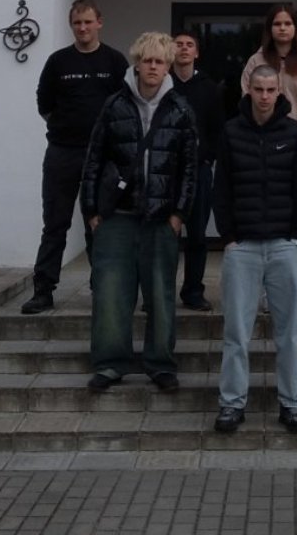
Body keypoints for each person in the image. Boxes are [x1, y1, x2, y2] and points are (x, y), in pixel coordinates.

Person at [80, 32, 198, 391]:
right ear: (137, 63)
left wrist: (179, 215)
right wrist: (91, 210)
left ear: (168, 66)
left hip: (161, 219)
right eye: (147, 60)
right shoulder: (114, 105)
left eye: (159, 61)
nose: (153, 67)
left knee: (160, 295)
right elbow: (94, 159)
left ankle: (160, 364)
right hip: (117, 216)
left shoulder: (180, 110)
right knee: (110, 294)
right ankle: (110, 363)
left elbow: (190, 168)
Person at [211, 63, 297, 434]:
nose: (265, 96)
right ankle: (232, 404)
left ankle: (292, 404)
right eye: (259, 89)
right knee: (237, 333)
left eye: (271, 90)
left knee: (289, 333)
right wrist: (229, 235)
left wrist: (295, 233)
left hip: (284, 246)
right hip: (243, 248)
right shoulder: (231, 132)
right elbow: (221, 187)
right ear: (249, 91)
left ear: (278, 92)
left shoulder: (292, 132)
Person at [23, 0, 129, 314]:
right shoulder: (58, 62)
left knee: (99, 225)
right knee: (55, 224)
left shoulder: (115, 61)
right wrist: (65, 128)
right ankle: (43, 291)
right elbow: (44, 104)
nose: (82, 28)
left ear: (99, 23)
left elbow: (125, 106)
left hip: (102, 157)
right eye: (77, 23)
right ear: (71, 26)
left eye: (87, 22)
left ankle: (102, 289)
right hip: (62, 153)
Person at [240, 5, 297, 270]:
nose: (283, 28)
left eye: (288, 23)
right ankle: (267, 280)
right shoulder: (256, 62)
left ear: (296, 28)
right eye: (277, 24)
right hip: (263, 147)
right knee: (267, 210)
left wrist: (293, 139)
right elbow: (248, 103)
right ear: (270, 29)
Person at [169, 29, 225, 311]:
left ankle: (193, 291)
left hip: (199, 171)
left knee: (197, 236)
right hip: (167, 173)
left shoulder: (209, 88)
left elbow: (217, 129)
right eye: (178, 44)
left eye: (189, 44)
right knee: (166, 236)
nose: (183, 48)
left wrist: (207, 158)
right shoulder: (164, 84)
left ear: (197, 52)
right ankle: (161, 291)